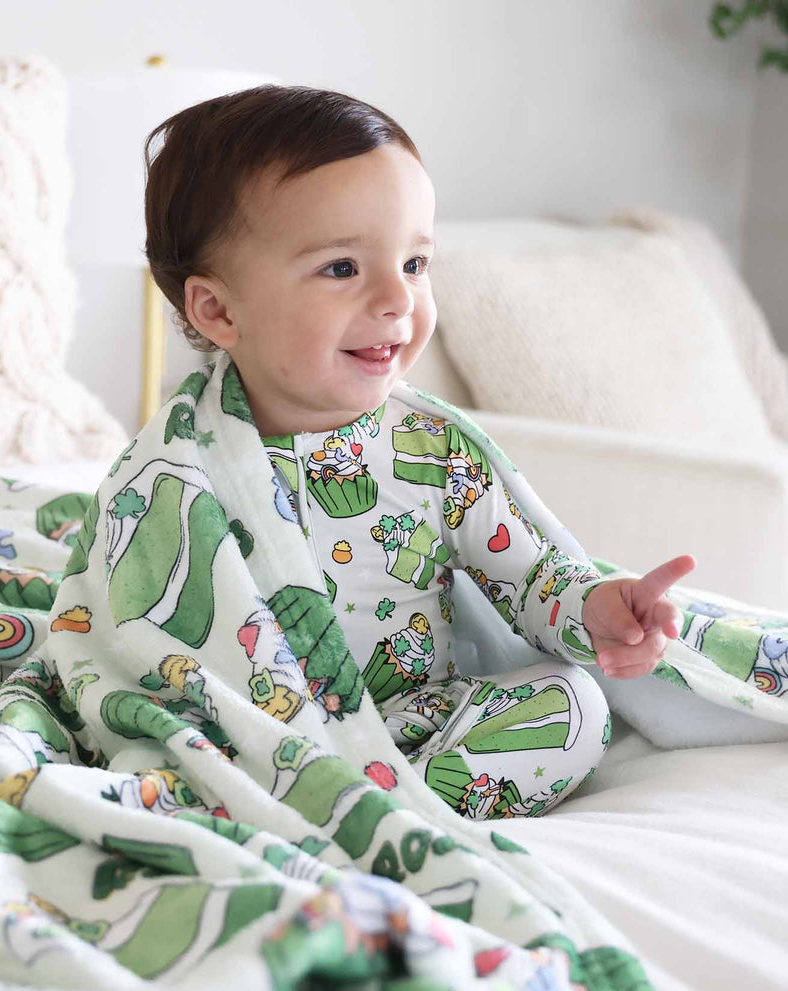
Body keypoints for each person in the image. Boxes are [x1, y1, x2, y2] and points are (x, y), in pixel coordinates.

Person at [142, 85, 695, 820]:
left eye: (414, 263)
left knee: (574, 704)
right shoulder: (176, 466)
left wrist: (596, 609)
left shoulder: (433, 449)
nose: (397, 299)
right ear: (217, 310)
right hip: (260, 738)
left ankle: (385, 812)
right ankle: (315, 808)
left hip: (417, 725)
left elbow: (528, 579)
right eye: (343, 268)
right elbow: (132, 632)